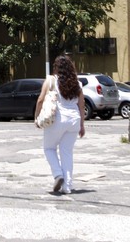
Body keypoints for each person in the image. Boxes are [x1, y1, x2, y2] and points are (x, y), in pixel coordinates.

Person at [34, 55, 86, 194]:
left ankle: (58, 175)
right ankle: (67, 186)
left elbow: (40, 100)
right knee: (67, 152)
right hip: (74, 120)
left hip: (57, 119)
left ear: (56, 68)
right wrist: (82, 125)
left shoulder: (51, 81)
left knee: (49, 148)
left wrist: (37, 118)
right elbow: (81, 105)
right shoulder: (78, 84)